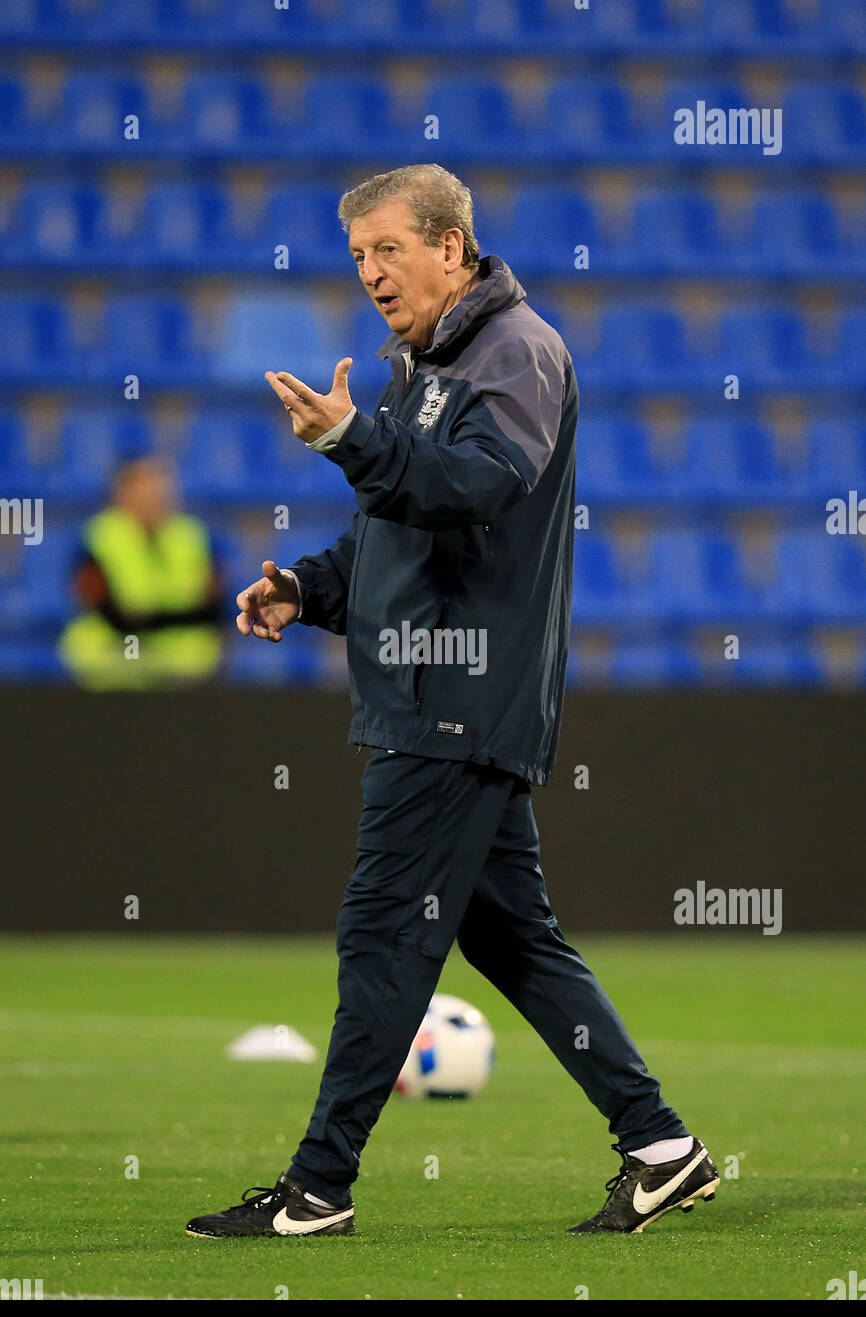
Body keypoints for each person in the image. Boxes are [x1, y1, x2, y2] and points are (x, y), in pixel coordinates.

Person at [186, 164, 718, 1239]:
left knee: (380, 932)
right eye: (356, 259)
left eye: (386, 250)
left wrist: (349, 441)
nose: (370, 274)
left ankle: (317, 1189)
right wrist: (308, 586)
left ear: (450, 246)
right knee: (513, 938)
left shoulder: (514, 350)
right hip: (432, 689)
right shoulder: (419, 364)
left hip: (456, 698)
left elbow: (473, 488)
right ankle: (662, 1146)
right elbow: (404, 529)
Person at [59, 454, 224, 689]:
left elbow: (213, 610)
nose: (154, 492)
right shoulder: (96, 538)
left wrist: (143, 616)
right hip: (109, 664)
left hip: (184, 670)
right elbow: (110, 614)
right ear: (120, 491)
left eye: (160, 482)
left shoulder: (194, 536)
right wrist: (177, 616)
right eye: (143, 483)